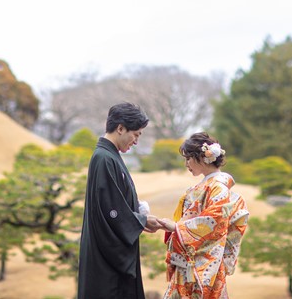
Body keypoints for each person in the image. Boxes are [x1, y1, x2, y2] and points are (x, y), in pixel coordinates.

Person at [77, 102, 163, 299]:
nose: (136, 141)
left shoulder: (110, 156)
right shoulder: (104, 158)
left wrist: (139, 213)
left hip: (107, 254)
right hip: (106, 260)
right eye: (136, 134)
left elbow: (117, 202)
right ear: (121, 128)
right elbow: (110, 211)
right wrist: (141, 221)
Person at [159, 132, 249, 299]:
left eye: (188, 158)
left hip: (204, 263)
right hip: (191, 259)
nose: (186, 164)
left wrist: (177, 227)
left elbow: (215, 222)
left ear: (202, 157)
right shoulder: (207, 185)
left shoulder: (218, 187)